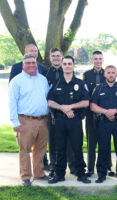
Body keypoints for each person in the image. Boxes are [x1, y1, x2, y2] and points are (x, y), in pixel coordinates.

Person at [47, 56, 91, 184]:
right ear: (61, 66)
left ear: (73, 66)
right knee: (60, 148)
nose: (67, 66)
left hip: (75, 120)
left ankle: (81, 174)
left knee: (77, 147)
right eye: (64, 63)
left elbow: (86, 102)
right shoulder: (55, 84)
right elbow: (50, 101)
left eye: (69, 63)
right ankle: (59, 174)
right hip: (60, 121)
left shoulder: (80, 83)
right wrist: (63, 108)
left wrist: (70, 107)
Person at [8, 54, 50, 186]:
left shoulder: (43, 79)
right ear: (23, 65)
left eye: (33, 63)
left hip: (43, 120)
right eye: (28, 63)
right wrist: (15, 121)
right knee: (25, 149)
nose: (32, 65)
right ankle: (25, 176)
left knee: (40, 149)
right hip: (25, 121)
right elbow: (12, 102)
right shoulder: (17, 81)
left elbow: (48, 98)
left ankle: (39, 173)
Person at [90, 65, 117, 183]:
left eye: (113, 72)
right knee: (103, 149)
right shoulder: (98, 89)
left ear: (116, 74)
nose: (111, 74)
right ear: (105, 74)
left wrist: (116, 110)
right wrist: (106, 112)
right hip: (104, 123)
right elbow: (93, 106)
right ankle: (101, 174)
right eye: (108, 72)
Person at [45, 48, 76, 177]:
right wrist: (52, 113)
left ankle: (73, 166)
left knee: (70, 141)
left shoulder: (71, 73)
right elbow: (48, 96)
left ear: (62, 57)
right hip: (53, 113)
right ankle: (53, 166)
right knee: (52, 141)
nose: (56, 58)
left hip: (69, 112)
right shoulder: (46, 74)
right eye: (53, 56)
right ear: (50, 58)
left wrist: (71, 109)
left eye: (58, 56)